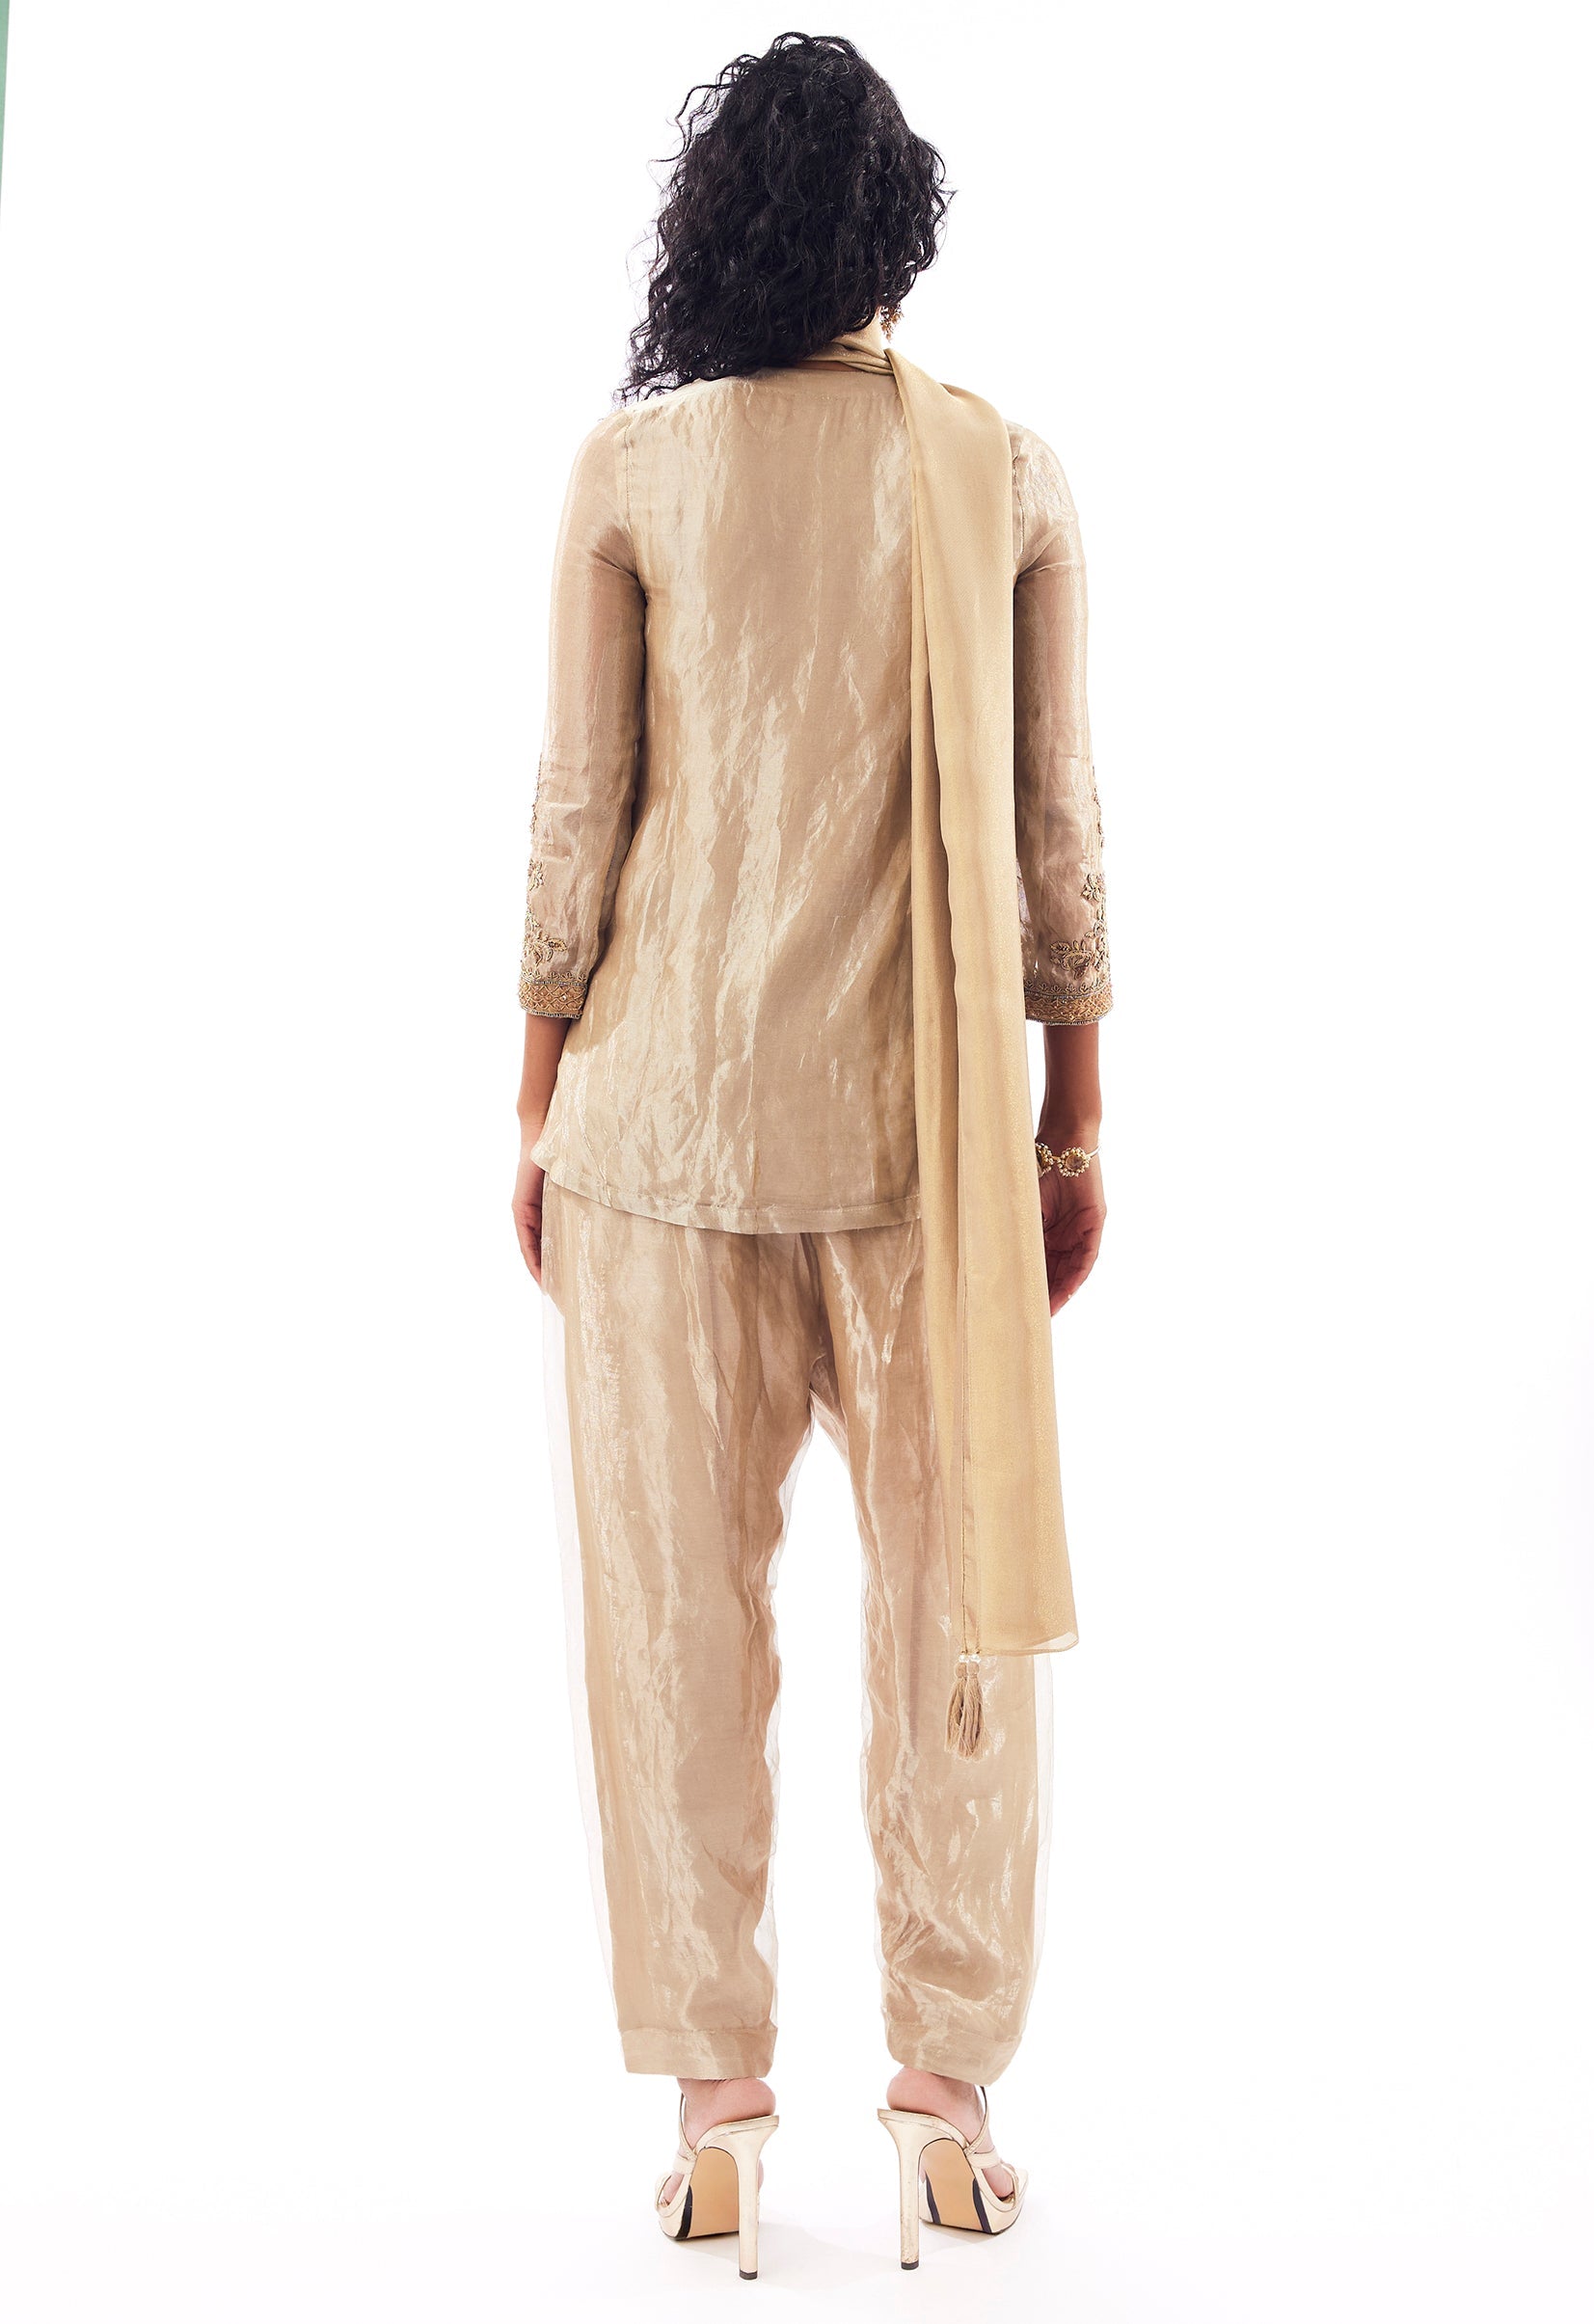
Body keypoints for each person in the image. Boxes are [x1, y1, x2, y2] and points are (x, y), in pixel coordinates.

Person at [510, 33, 1109, 2279]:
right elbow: (1056, 831)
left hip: (655, 1134)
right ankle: (946, 2105)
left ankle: (717, 2118)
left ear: (713, 234)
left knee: (673, 1624)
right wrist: (1075, 1115)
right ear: (898, 231)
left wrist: (535, 1100)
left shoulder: (632, 470)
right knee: (960, 1618)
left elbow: (580, 818)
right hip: (932, 1147)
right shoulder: (1001, 470)